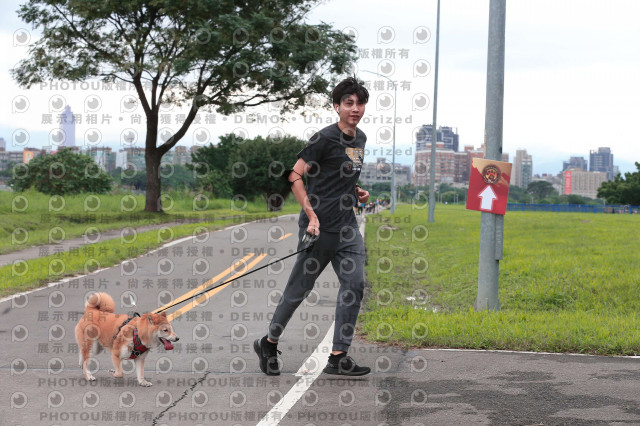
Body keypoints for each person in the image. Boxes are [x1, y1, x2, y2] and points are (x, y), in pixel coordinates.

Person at [254, 77, 371, 376]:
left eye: (360, 103)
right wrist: (312, 215)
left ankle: (338, 356)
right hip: (317, 229)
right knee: (299, 290)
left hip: (347, 229)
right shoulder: (324, 139)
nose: (355, 108)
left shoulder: (360, 139)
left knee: (354, 285)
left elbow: (342, 174)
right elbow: (294, 175)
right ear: (336, 106)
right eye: (348, 103)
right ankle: (268, 343)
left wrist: (357, 191)